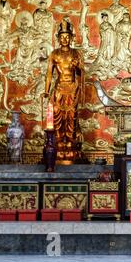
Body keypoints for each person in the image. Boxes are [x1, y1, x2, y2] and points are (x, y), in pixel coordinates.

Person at [44, 18, 84, 164]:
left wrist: (78, 67)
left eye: (67, 36)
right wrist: (46, 91)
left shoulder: (76, 53)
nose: (65, 39)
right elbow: (49, 74)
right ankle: (59, 143)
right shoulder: (54, 54)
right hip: (59, 89)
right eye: (62, 37)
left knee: (71, 118)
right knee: (57, 118)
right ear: (58, 38)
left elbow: (81, 73)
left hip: (72, 90)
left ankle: (70, 143)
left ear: (71, 38)